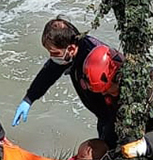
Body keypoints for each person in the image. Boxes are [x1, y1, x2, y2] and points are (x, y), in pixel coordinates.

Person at [11, 17, 122, 147]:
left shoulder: (95, 59)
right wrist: (29, 99)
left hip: (115, 114)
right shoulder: (68, 54)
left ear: (71, 48)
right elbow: (48, 74)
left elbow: (114, 91)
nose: (52, 57)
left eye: (54, 52)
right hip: (102, 114)